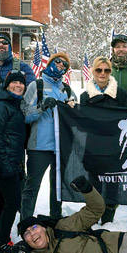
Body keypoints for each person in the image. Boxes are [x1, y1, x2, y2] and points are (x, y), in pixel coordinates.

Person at [21, 52, 77, 220]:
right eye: (57, 62)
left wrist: (72, 108)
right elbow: (25, 114)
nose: (60, 66)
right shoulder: (35, 86)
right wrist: (42, 107)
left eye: (64, 66)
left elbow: (75, 118)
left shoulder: (66, 89)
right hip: (39, 145)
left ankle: (56, 220)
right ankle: (26, 221)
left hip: (60, 146)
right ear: (50, 62)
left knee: (57, 187)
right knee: (32, 186)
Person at [0, 34, 35, 211]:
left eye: (4, 43)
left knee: (16, 168)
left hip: (14, 126)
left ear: (10, 47)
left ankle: (17, 207)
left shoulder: (22, 67)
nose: (1, 46)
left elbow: (32, 92)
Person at [79, 56, 127, 224]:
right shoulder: (85, 95)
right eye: (99, 70)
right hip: (94, 146)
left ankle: (108, 220)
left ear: (110, 72)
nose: (102, 73)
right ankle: (94, 216)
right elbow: (82, 124)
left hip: (115, 146)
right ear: (93, 71)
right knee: (95, 184)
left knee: (113, 183)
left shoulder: (120, 93)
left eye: (106, 70)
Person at [0, 70, 27, 253]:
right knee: (13, 202)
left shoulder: (14, 105)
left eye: (21, 83)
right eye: (14, 82)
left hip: (12, 161)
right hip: (5, 162)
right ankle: (3, 242)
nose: (18, 85)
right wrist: (5, 163)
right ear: (7, 85)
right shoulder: (2, 105)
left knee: (3, 201)